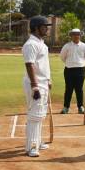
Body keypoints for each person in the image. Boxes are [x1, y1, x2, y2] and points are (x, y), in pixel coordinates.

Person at [22, 16, 53, 157]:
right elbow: (29, 64)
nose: (47, 28)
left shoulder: (41, 43)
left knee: (40, 115)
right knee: (35, 115)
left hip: (43, 83)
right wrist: (35, 86)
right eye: (44, 26)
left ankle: (38, 141)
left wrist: (48, 79)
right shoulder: (31, 44)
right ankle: (32, 147)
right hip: (35, 84)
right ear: (36, 27)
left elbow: (43, 65)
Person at [59, 28, 85, 114]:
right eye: (74, 34)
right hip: (69, 70)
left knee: (79, 89)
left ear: (80, 35)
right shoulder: (67, 46)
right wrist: (70, 63)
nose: (76, 36)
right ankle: (66, 107)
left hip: (80, 70)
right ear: (71, 36)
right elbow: (62, 57)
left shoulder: (84, 46)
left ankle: (80, 107)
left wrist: (79, 63)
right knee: (68, 89)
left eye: (78, 34)